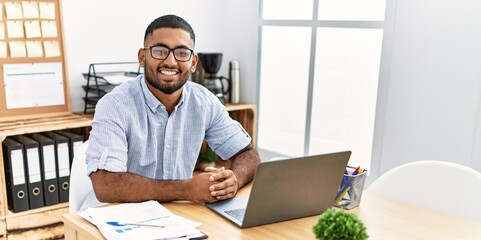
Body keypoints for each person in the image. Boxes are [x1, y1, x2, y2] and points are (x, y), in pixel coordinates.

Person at [81, 14, 260, 209]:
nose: (171, 62)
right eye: (160, 51)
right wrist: (185, 189)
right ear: (142, 57)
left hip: (176, 217)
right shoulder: (114, 105)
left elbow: (248, 153)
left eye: (182, 53)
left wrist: (235, 180)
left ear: (193, 62)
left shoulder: (204, 101)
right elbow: (105, 185)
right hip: (114, 217)